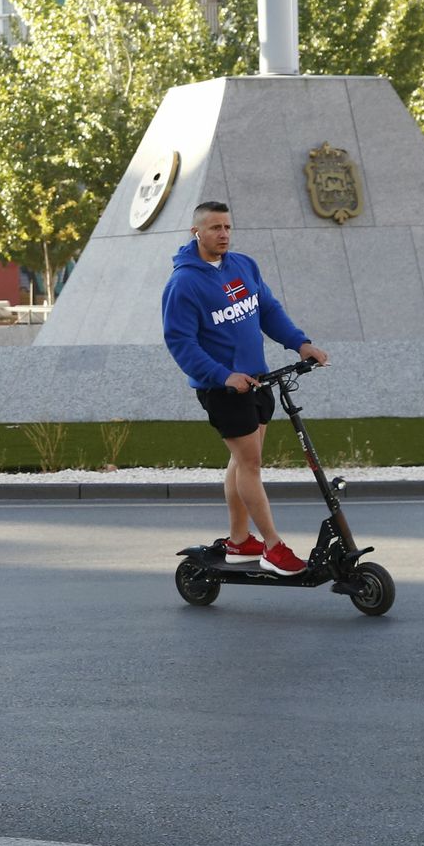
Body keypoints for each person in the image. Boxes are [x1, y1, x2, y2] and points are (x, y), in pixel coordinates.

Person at [163, 201, 329, 576]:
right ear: (197, 233)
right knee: (251, 464)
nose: (223, 234)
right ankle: (273, 547)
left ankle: (240, 541)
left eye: (227, 227)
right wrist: (222, 376)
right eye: (214, 228)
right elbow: (181, 343)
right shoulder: (184, 283)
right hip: (224, 389)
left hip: (258, 380)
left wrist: (300, 343)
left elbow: (267, 309)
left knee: (242, 462)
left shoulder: (243, 266)